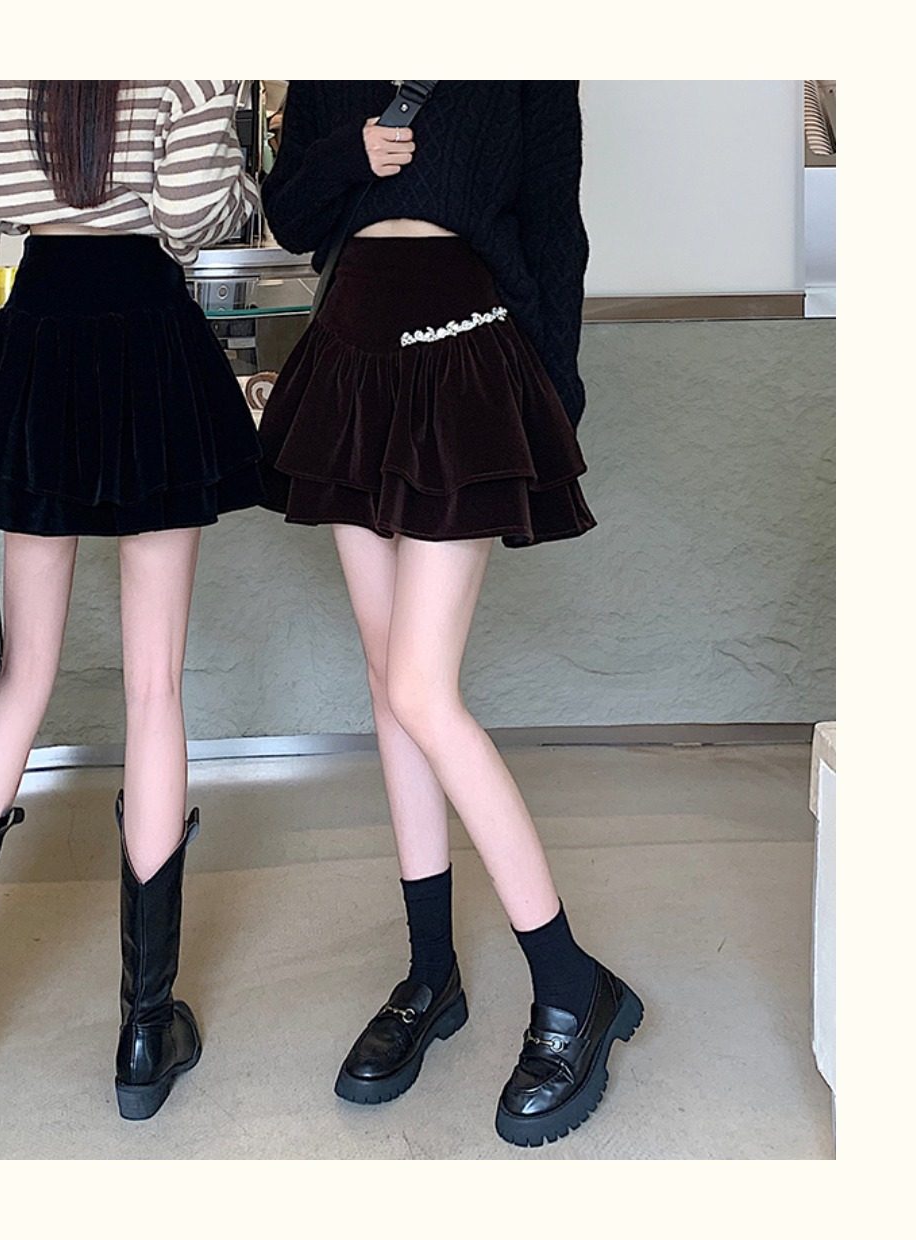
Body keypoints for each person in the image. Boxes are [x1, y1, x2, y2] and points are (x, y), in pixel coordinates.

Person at [258, 80, 643, 1147]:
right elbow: (289, 215)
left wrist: (550, 395)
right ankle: (431, 974)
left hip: (465, 359)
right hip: (349, 359)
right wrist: (350, 153)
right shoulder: (329, 56)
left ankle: (569, 983)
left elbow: (554, 233)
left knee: (422, 689)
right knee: (390, 687)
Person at [0, 79, 262, 1121]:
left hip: (36, 353)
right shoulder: (182, 61)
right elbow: (194, 220)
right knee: (155, 689)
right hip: (152, 349)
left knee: (22, 677)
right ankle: (144, 1035)